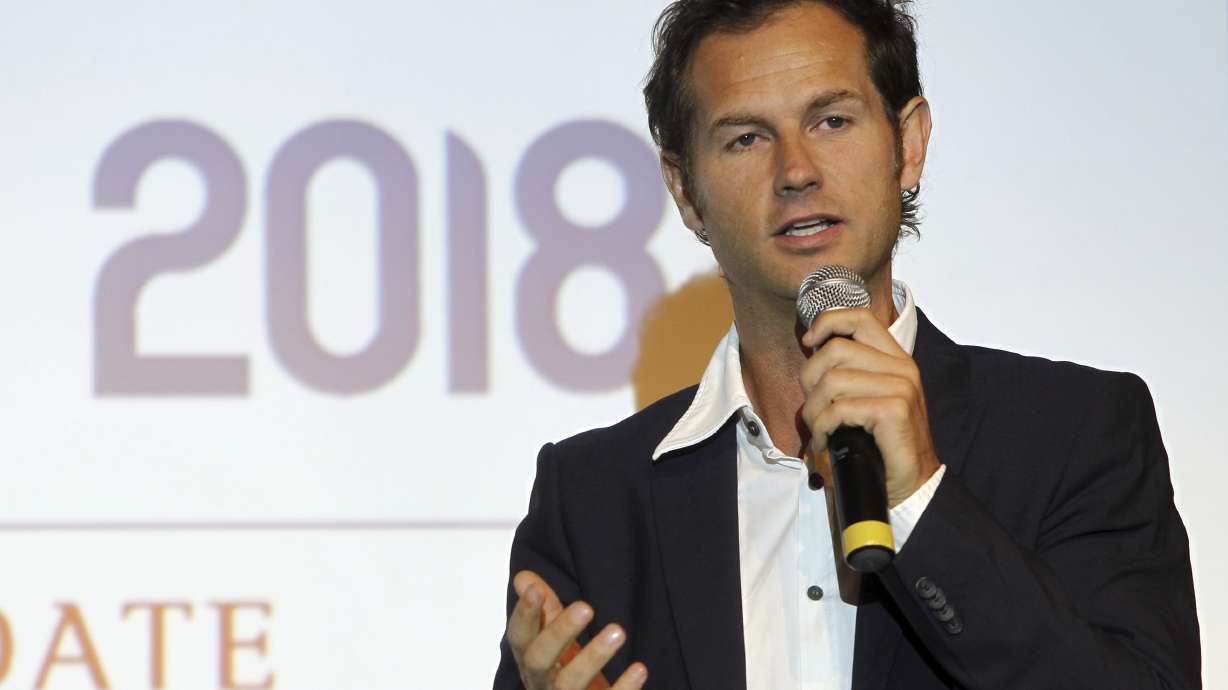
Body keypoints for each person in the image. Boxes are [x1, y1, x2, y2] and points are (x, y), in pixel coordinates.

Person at [494, 1, 1201, 688]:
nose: (796, 170)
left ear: (910, 145)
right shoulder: (591, 499)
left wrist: (922, 498)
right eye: (746, 138)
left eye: (831, 120)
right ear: (685, 191)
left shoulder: (1076, 434)